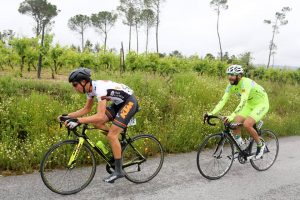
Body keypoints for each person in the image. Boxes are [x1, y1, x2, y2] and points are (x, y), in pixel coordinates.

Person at [59, 67, 139, 183]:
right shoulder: (90, 89)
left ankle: (119, 171)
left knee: (111, 135)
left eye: (75, 84)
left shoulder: (100, 89)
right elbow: (87, 109)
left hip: (129, 102)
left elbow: (100, 115)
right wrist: (68, 116)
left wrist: (78, 120)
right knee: (97, 124)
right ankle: (117, 140)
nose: (74, 88)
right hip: (119, 104)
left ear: (83, 82)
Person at [204, 65, 269, 159]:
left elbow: (242, 102)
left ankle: (260, 144)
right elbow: (223, 101)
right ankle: (242, 148)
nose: (230, 77)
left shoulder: (245, 83)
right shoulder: (230, 86)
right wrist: (212, 112)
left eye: (232, 75)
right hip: (249, 104)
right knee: (236, 122)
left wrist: (230, 116)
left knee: (247, 124)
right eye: (228, 74)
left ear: (239, 76)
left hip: (261, 103)